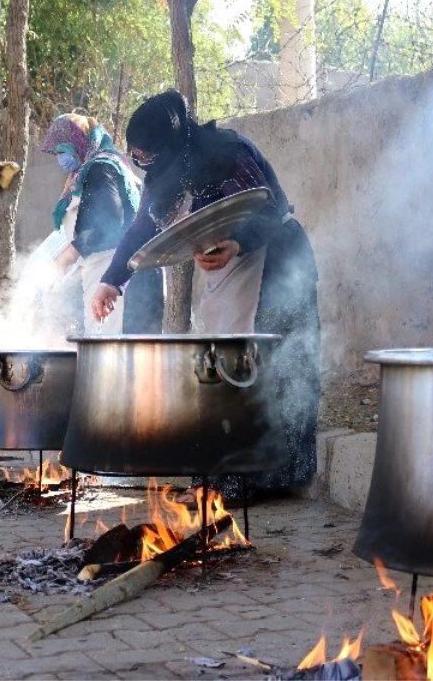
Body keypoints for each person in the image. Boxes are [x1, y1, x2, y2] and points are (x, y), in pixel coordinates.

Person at [91, 90, 321, 491]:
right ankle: (231, 473)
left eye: (146, 152)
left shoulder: (227, 152)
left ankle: (275, 478)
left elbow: (270, 205)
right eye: (136, 154)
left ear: (169, 139)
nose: (142, 160)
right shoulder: (164, 176)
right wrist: (112, 280)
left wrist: (238, 243)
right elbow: (142, 229)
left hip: (278, 260)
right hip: (230, 268)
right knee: (227, 368)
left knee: (278, 367)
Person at [39, 113, 165, 334]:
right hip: (120, 272)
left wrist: (63, 261)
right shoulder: (106, 167)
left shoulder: (101, 168)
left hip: (116, 273)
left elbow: (107, 224)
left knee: (111, 356)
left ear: (78, 142)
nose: (60, 158)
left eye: (63, 150)